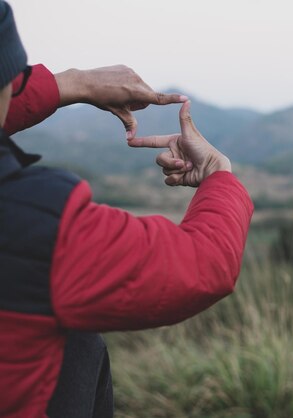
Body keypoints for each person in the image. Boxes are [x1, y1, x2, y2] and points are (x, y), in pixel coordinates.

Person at [0, 2, 254, 417]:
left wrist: (74, 84)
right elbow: (204, 265)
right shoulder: (35, 226)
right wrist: (217, 174)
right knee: (78, 342)